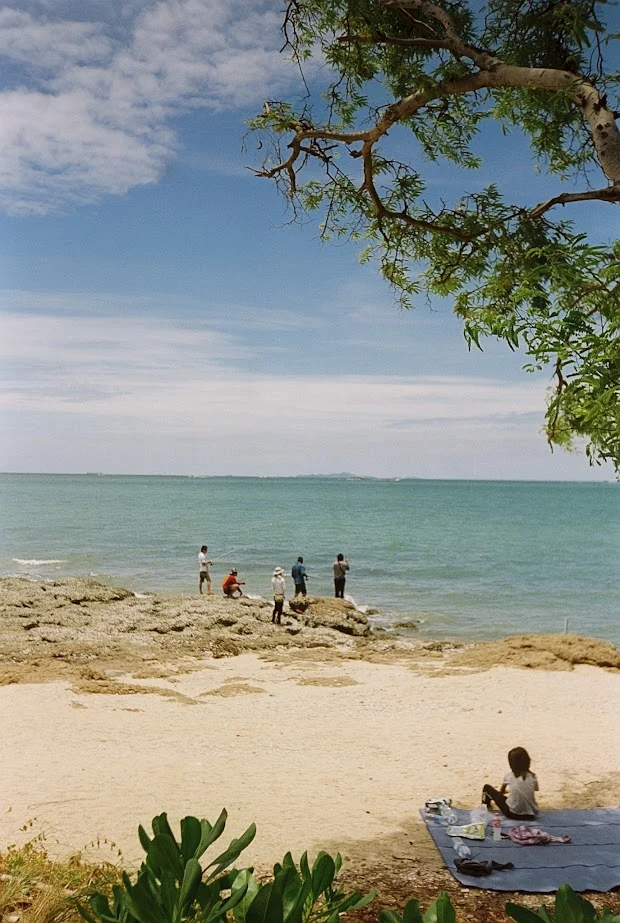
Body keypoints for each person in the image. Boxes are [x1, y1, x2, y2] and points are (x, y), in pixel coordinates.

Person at [482, 747, 539, 820]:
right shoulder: (533, 776)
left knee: (487, 788)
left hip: (513, 813)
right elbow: (533, 789)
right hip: (531, 815)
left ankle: (485, 807)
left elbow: (501, 792)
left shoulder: (509, 776)